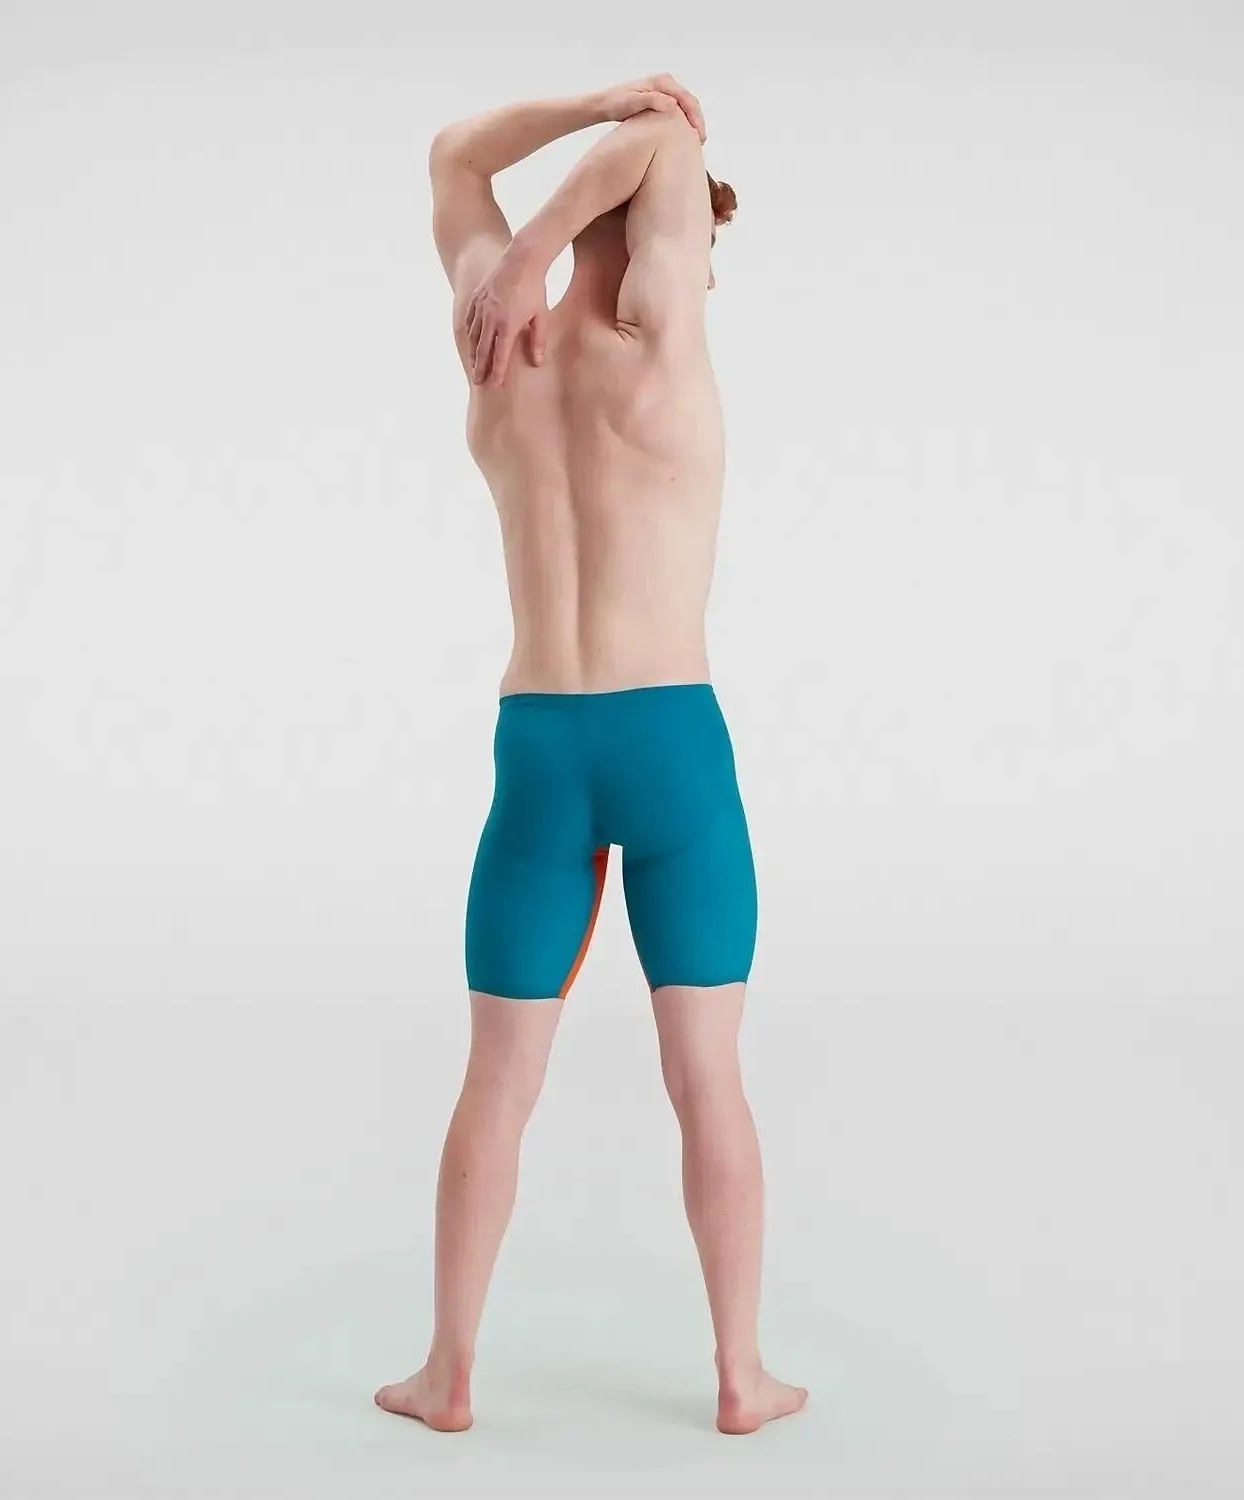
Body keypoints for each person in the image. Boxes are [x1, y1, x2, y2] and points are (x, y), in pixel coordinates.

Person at [375, 74, 806, 1438]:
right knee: (707, 1080)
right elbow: (669, 135)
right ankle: (741, 1378)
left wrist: (527, 236)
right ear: (672, 237)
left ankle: (447, 1375)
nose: (708, 276)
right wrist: (563, 218)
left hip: (541, 750)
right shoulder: (659, 330)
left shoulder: (494, 336)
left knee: (496, 1085)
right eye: (705, 248)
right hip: (671, 743)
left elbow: (455, 153)